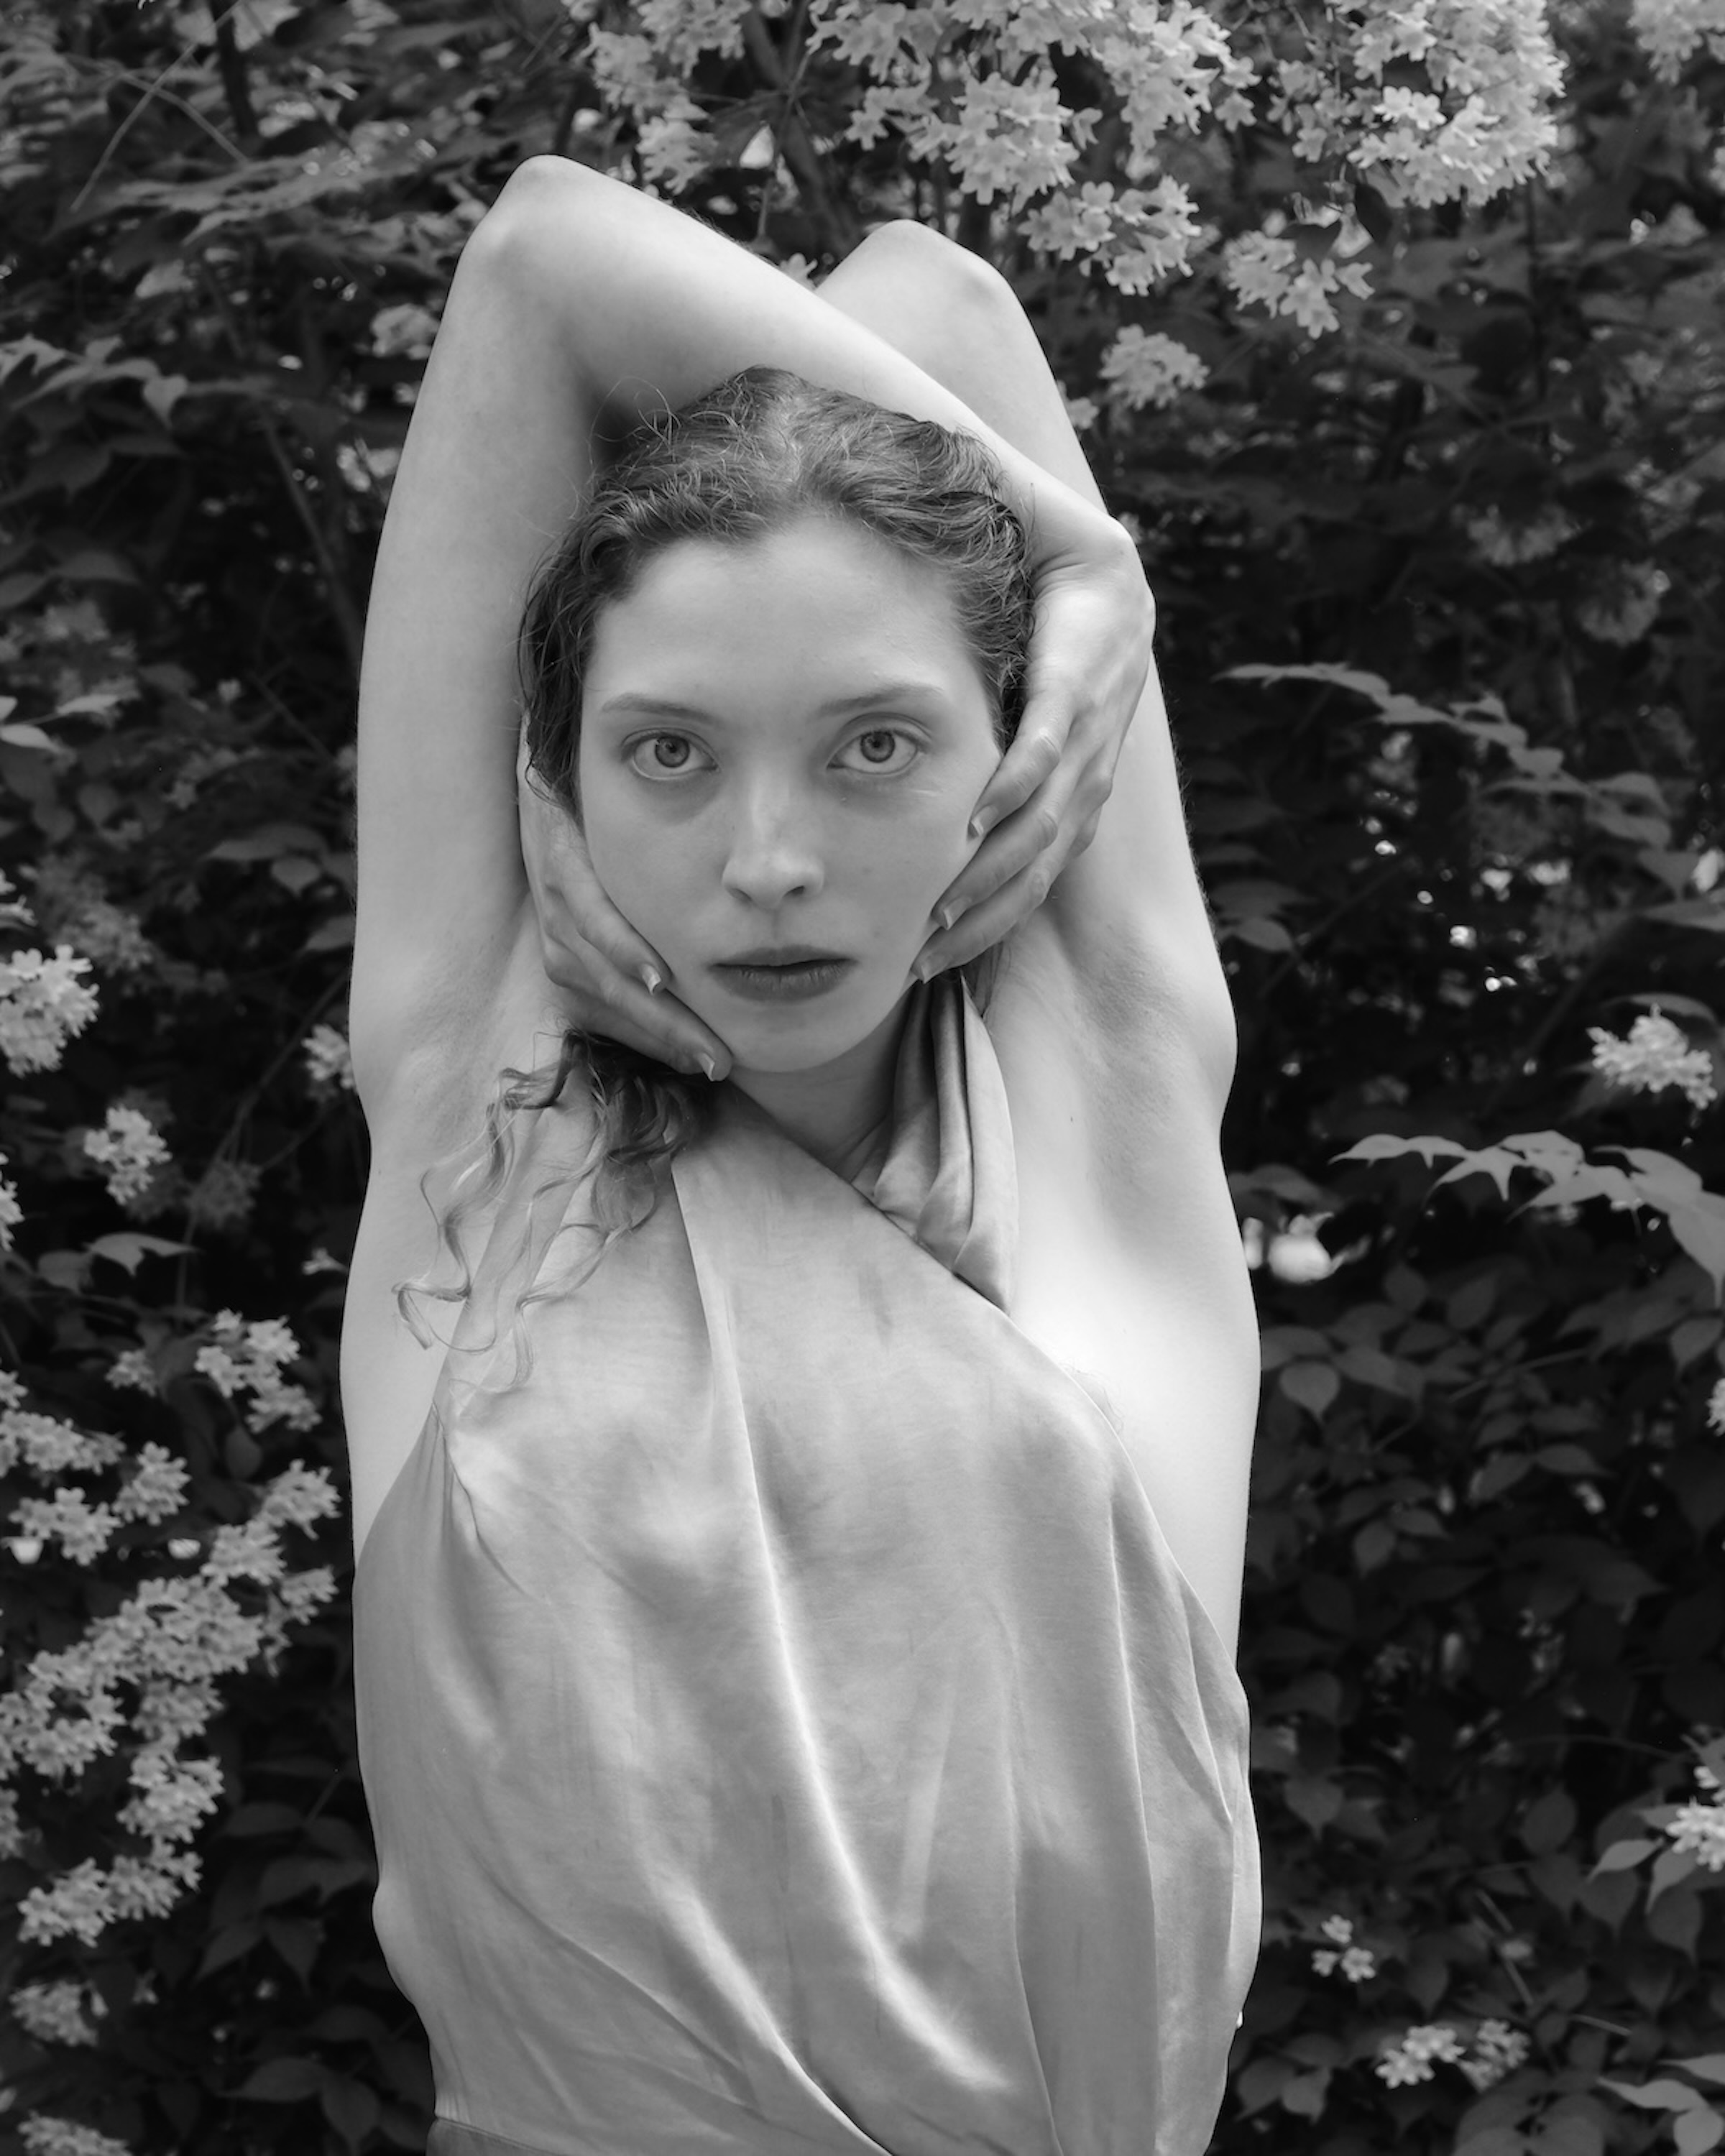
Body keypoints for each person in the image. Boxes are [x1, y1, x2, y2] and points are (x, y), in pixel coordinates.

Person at [342, 154, 1261, 2156]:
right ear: (560, 786)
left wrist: (1083, 577)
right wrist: (1068, 547)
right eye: (669, 751)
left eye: (875, 744)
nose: (770, 859)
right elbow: (539, 262)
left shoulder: (1100, 1110)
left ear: (1027, 755)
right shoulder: (483, 1120)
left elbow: (934, 302)